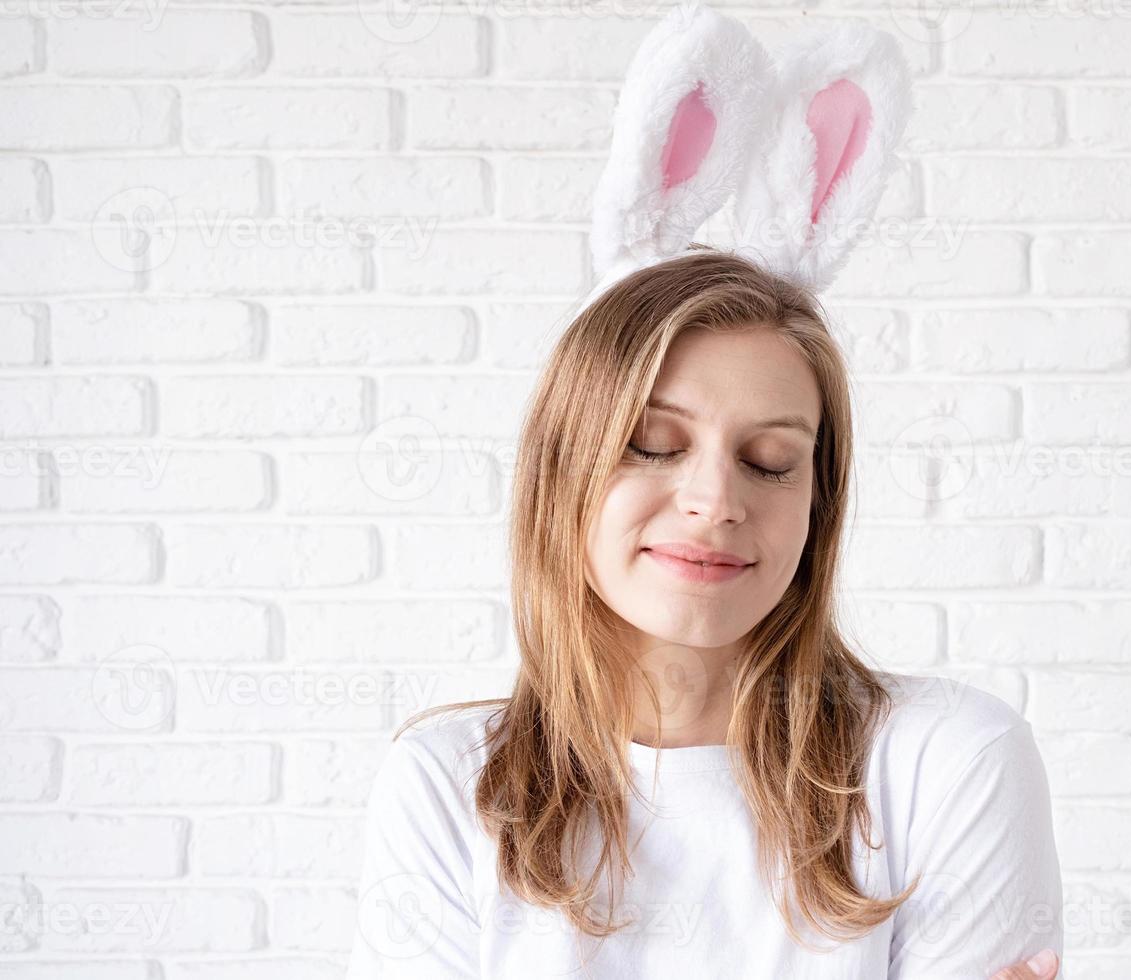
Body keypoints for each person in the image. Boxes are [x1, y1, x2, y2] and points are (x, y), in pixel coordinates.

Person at [344, 247, 1065, 979]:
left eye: (771, 461)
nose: (716, 501)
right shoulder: (449, 782)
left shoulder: (951, 761)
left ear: (816, 503)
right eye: (654, 445)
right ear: (561, 471)